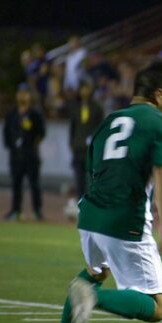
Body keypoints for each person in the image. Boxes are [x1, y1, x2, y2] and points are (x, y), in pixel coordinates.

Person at [49, 60, 162, 323]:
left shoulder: (108, 122)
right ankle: (92, 298)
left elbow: (97, 170)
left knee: (97, 271)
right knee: (158, 306)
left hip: (90, 213)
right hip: (124, 218)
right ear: (159, 95)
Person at [63, 78, 105, 220]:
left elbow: (101, 129)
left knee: (91, 182)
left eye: (87, 88)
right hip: (78, 150)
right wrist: (72, 143)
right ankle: (81, 209)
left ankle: (92, 209)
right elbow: (72, 128)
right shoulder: (76, 107)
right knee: (79, 181)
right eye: (82, 88)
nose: (84, 91)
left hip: (91, 152)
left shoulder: (97, 108)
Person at [3, 84, 46, 221]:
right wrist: (11, 146)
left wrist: (32, 145)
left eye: (25, 93)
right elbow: (6, 132)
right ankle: (15, 210)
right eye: (20, 93)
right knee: (16, 184)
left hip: (31, 156)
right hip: (16, 156)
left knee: (34, 184)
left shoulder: (35, 113)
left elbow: (41, 132)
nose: (22, 96)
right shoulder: (12, 113)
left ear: (29, 95)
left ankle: (37, 211)